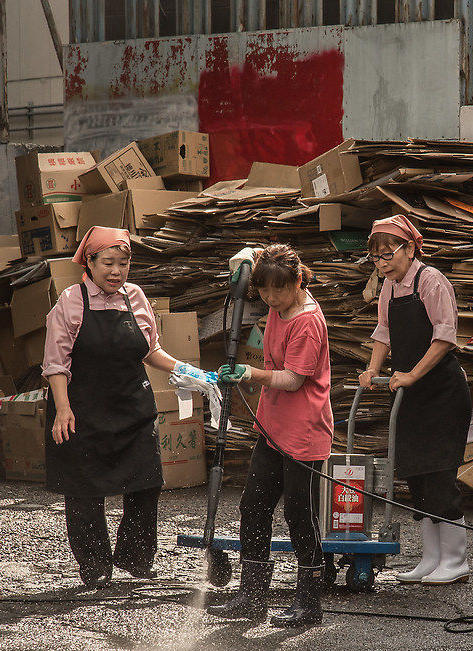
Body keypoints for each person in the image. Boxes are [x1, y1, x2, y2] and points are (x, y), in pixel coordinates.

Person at [42, 226, 188, 587]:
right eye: (107, 262)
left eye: (123, 263)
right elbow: (56, 364)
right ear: (89, 262)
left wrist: (188, 371)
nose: (116, 271)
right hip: (81, 411)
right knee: (84, 490)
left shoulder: (135, 297)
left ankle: (135, 558)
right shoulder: (71, 301)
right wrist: (62, 409)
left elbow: (150, 350)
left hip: (131, 408)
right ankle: (94, 566)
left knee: (146, 481)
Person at [213, 244, 333, 628]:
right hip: (272, 426)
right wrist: (245, 262)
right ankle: (252, 596)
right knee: (254, 506)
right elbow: (253, 253)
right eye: (263, 290)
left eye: (278, 291)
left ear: (298, 282)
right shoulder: (277, 305)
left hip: (304, 431)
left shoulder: (307, 322)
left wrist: (250, 375)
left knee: (300, 515)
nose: (270, 298)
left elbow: (293, 379)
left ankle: (309, 601)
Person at [359, 215, 473, 585]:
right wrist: (371, 369)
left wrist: (411, 374)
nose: (383, 262)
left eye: (388, 253)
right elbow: (384, 331)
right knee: (417, 475)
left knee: (440, 472)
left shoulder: (431, 280)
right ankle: (431, 558)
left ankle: (455, 562)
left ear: (410, 248)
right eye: (376, 257)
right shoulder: (389, 288)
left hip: (441, 392)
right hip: (409, 394)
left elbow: (444, 337)